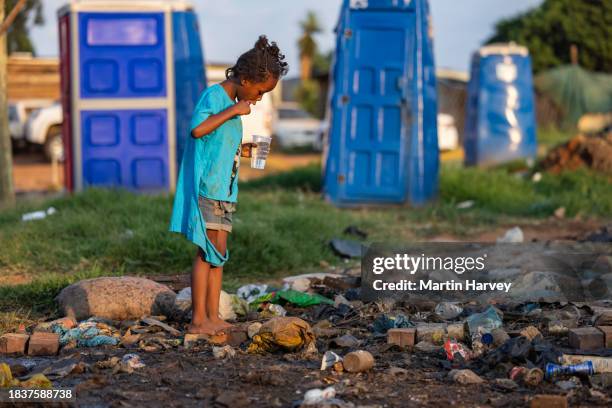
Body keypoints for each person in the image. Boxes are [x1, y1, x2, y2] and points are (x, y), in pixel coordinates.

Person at [169, 36, 288, 336]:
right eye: (260, 91)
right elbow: (198, 130)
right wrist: (233, 112)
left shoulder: (233, 106)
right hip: (208, 189)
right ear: (245, 79)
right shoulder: (215, 98)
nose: (259, 98)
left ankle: (212, 316)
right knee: (205, 253)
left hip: (226, 191)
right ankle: (198, 320)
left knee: (219, 255)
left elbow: (220, 145)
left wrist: (246, 150)